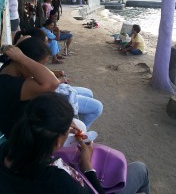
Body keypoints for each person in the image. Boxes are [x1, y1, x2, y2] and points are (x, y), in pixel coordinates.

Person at [0, 93, 150, 194]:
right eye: (66, 132)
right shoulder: (58, 177)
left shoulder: (5, 149)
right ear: (59, 141)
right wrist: (87, 167)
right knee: (140, 169)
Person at [0, 38, 103, 133]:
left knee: (87, 94)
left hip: (28, 121)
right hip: (20, 134)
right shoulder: (7, 84)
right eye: (39, 66)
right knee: (97, 107)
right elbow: (52, 83)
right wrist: (22, 57)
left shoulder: (10, 69)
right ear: (23, 63)